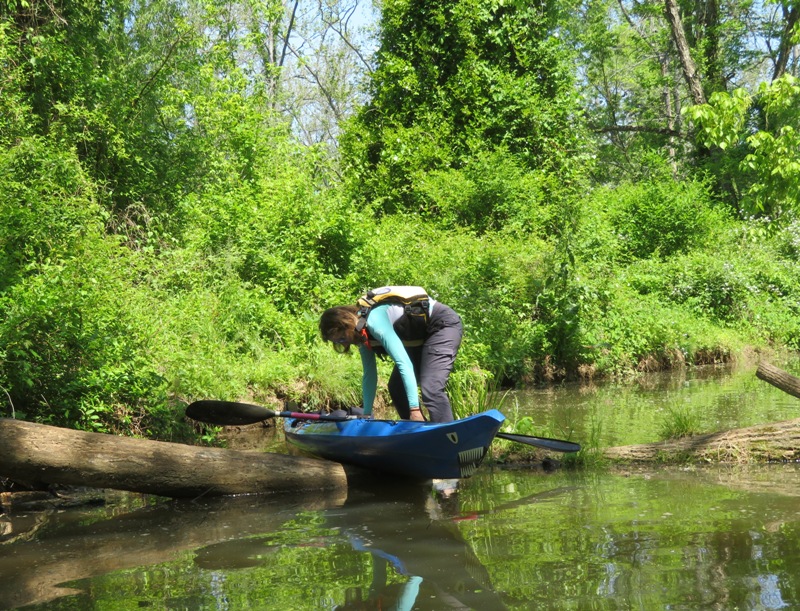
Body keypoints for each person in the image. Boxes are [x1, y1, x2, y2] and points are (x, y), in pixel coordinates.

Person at [319, 287, 463, 422]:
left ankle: (448, 435)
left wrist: (415, 409)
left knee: (431, 387)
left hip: (442, 325)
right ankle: (416, 431)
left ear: (347, 324)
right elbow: (369, 374)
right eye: (338, 343)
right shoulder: (361, 334)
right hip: (418, 339)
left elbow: (404, 363)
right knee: (396, 388)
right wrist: (367, 414)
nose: (344, 344)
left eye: (342, 339)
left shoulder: (375, 322)